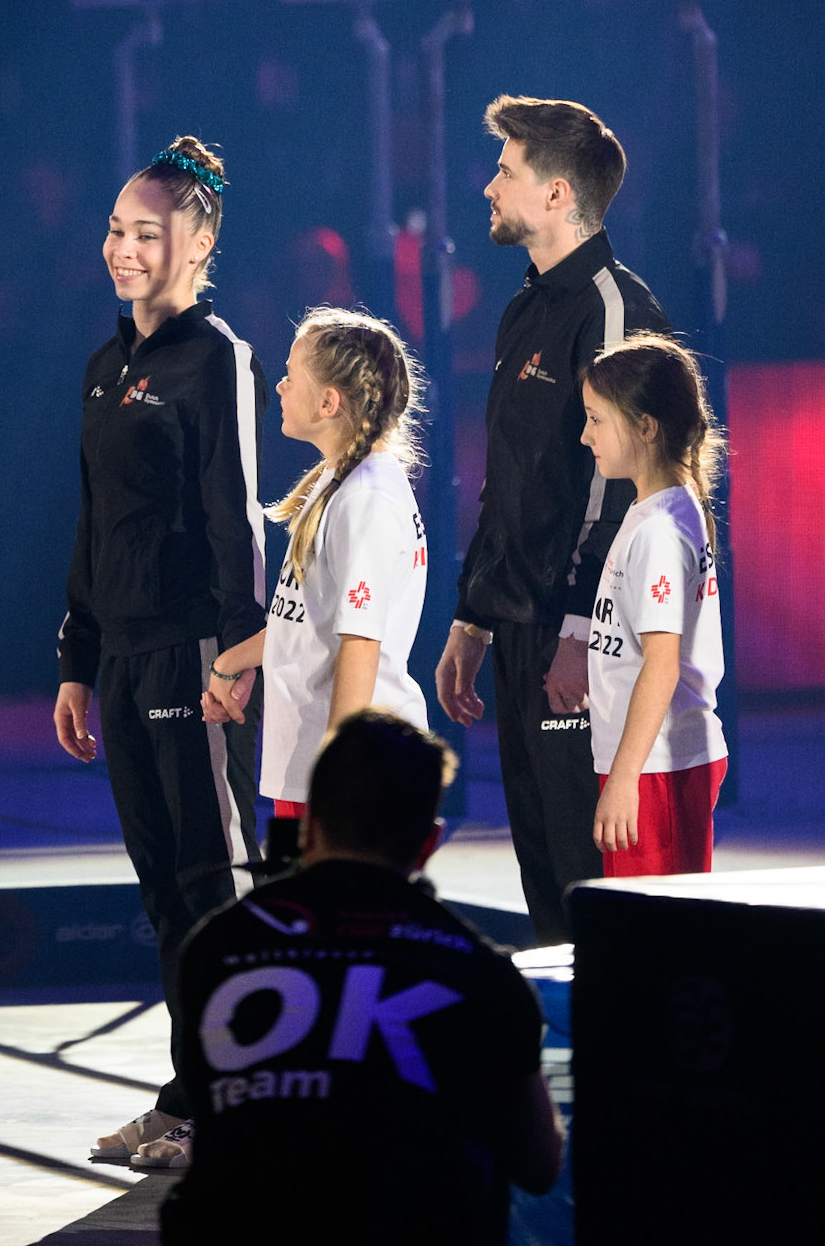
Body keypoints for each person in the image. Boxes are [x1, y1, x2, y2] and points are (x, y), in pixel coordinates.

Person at [55, 136, 268, 1168]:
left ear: (200, 240)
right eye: (114, 229)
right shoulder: (107, 364)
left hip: (195, 655)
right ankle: (189, 1092)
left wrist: (237, 650)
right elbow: (93, 524)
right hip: (124, 658)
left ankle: (235, 1102)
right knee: (162, 893)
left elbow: (235, 516)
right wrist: (73, 655)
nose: (123, 248)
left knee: (212, 884)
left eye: (147, 232)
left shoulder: (214, 354)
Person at [159, 712, 564, 1243]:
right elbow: (539, 1164)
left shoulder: (217, 946)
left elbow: (221, 1123)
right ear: (429, 843)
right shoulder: (481, 972)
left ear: (309, 826)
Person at [435, 96, 668, 943]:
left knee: (582, 860)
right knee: (540, 857)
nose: (488, 186)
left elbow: (620, 486)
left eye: (505, 170)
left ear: (558, 193)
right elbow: (507, 480)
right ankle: (571, 1054)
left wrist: (578, 625)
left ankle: (617, 1054)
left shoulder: (612, 309)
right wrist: (472, 613)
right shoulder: (522, 309)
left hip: (582, 636)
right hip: (518, 621)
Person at [202, 310, 430, 828]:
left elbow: (360, 644)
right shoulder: (336, 484)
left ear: (330, 402)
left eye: (291, 374)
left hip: (356, 778)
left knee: (343, 910)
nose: (279, 385)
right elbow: (307, 617)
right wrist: (233, 661)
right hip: (311, 770)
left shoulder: (366, 498)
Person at [580, 335, 728, 875]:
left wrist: (624, 778)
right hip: (651, 763)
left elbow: (661, 665)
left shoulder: (661, 530)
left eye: (597, 420)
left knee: (659, 942)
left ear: (646, 427)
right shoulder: (660, 512)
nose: (584, 435)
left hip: (657, 768)